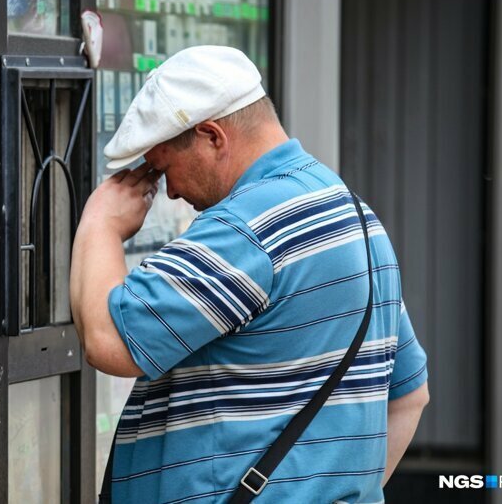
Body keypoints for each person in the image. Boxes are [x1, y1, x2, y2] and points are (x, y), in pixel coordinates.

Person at [69, 46, 429, 503]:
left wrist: (100, 222)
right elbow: (410, 397)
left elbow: (109, 343)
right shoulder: (356, 216)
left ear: (211, 136)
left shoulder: (244, 229)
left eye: (165, 168)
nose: (173, 191)